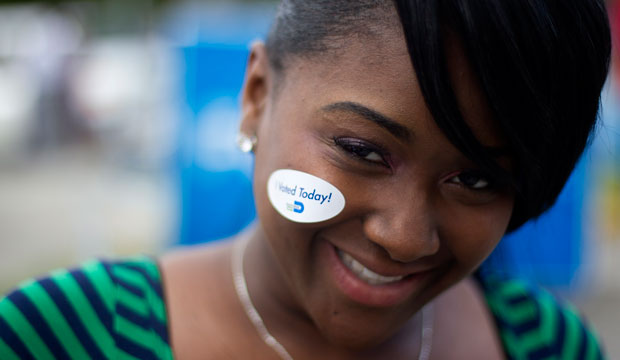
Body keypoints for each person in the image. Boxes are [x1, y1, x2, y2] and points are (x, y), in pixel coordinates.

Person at [0, 0, 611, 359]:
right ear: (256, 97)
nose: (403, 237)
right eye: (360, 149)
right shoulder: (61, 337)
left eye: (476, 182)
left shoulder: (545, 344)